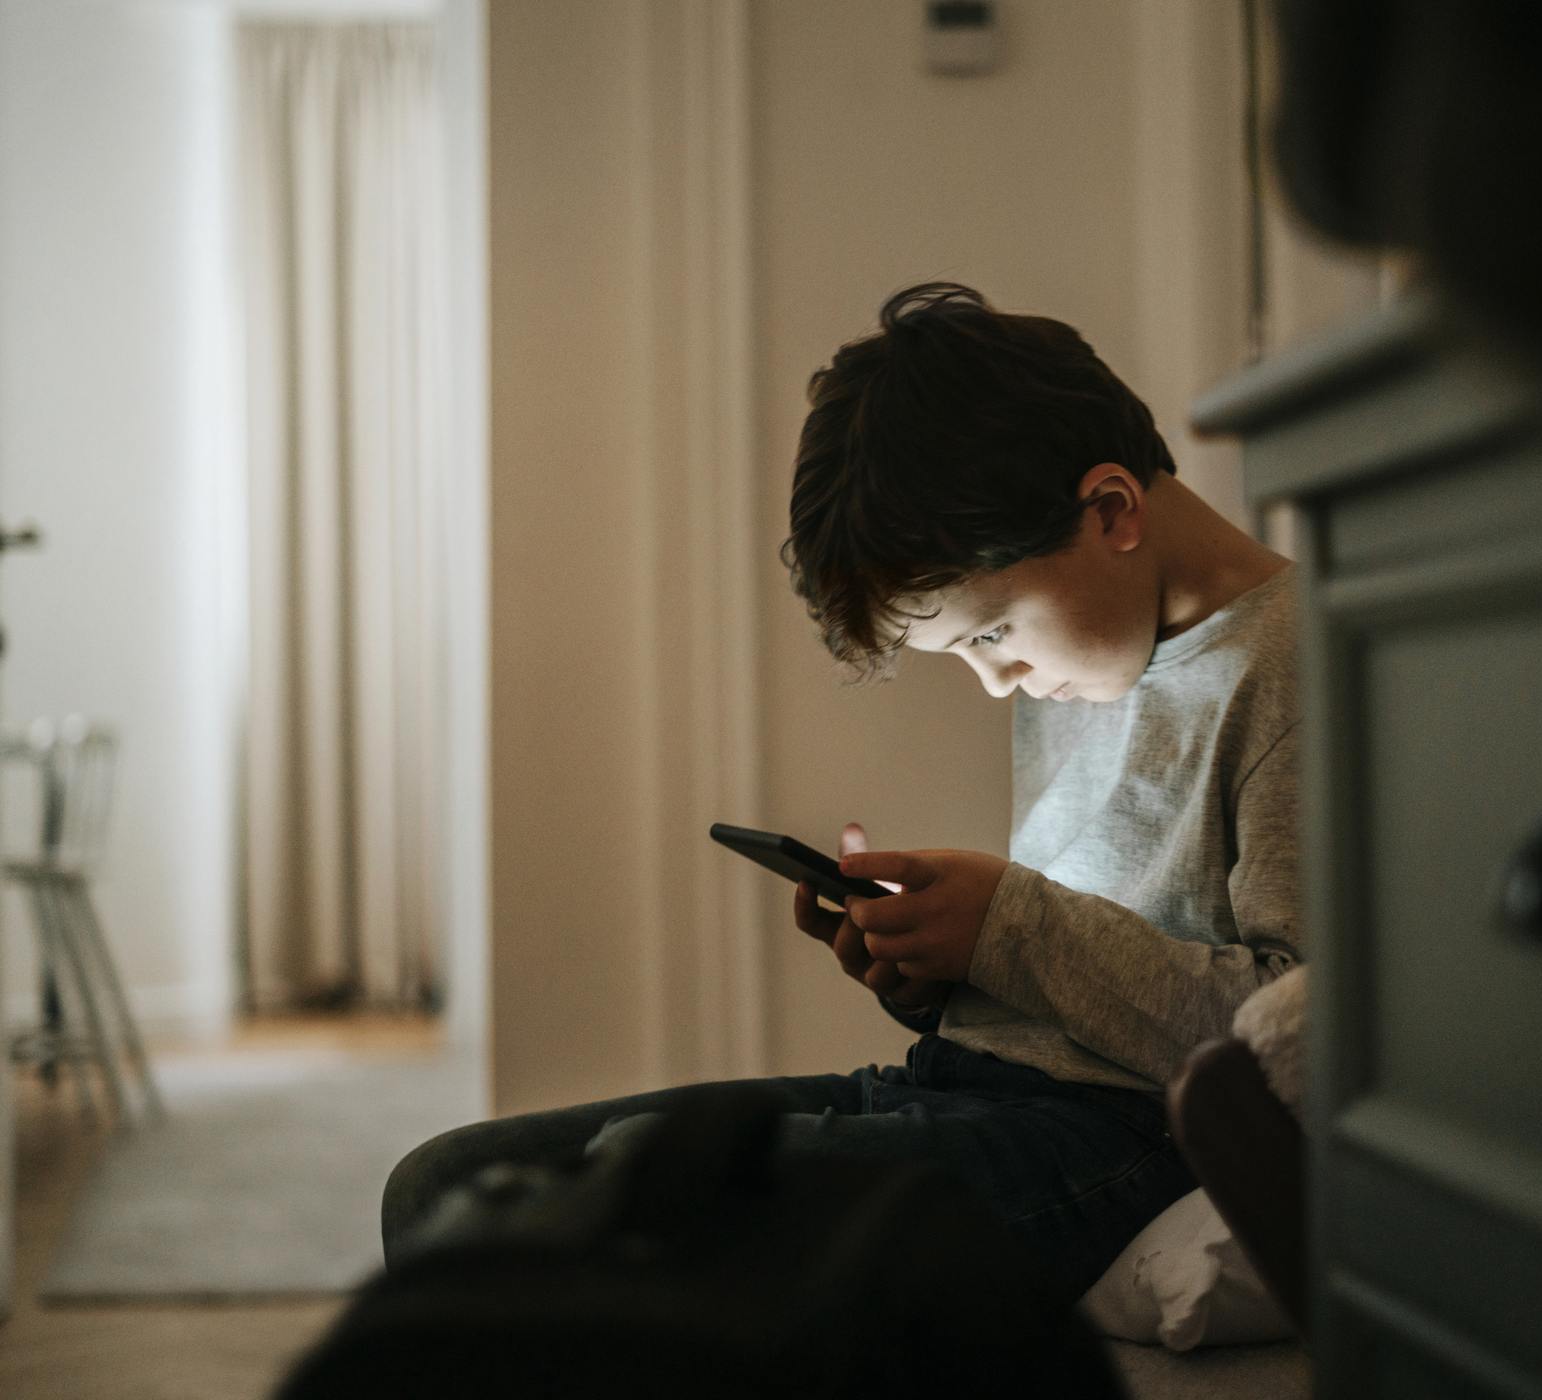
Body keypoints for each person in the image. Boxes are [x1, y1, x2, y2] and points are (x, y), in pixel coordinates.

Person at [381, 283, 1302, 1304]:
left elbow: (1295, 1037)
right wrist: (936, 966)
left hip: (1122, 1134)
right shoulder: (1093, 645)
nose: (995, 679)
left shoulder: (1299, 666)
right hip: (962, 1085)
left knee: (638, 1184)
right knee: (444, 1184)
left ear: (1112, 510)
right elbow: (1071, 970)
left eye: (989, 634)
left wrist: (1010, 922)